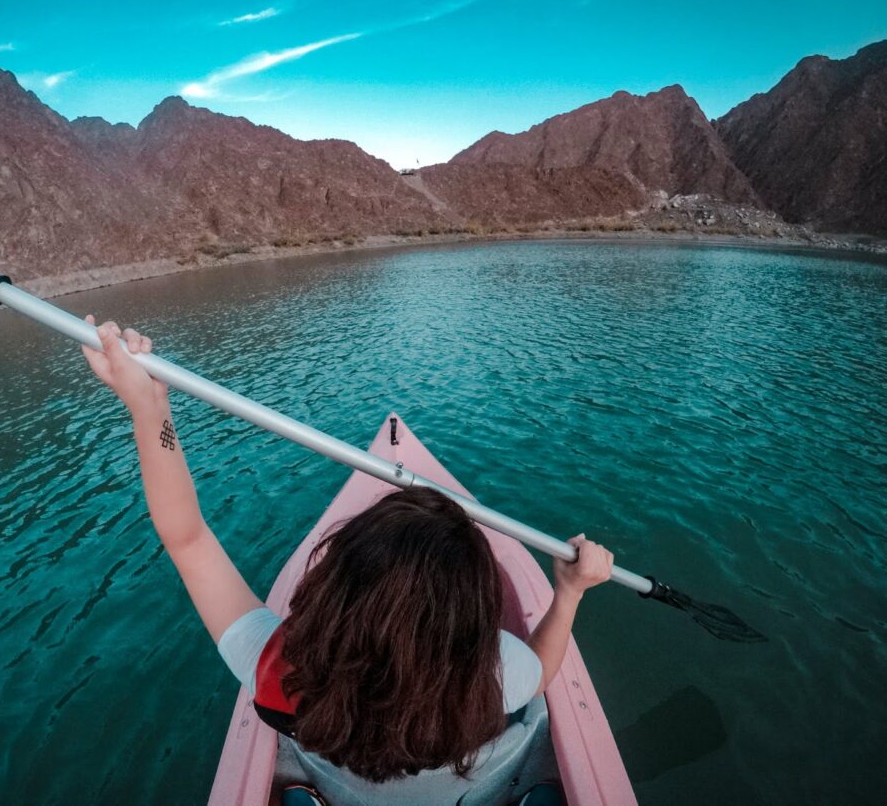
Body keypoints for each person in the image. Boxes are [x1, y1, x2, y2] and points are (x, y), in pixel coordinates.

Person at [81, 318, 614, 806]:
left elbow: (188, 539)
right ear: (470, 619)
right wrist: (569, 591)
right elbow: (544, 670)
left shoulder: (280, 671)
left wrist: (149, 411)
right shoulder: (496, 671)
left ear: (334, 589)